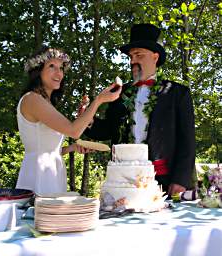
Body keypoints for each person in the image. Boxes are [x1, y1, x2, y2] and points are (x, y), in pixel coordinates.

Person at [83, 23, 196, 196]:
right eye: (131, 56)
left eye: (138, 55)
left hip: (163, 182)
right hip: (124, 181)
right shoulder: (119, 94)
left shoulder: (177, 94)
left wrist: (180, 180)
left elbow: (187, 141)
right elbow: (107, 130)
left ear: (155, 57)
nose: (133, 60)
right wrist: (88, 120)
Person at [16, 46, 121, 195]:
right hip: (38, 175)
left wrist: (71, 148)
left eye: (61, 68)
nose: (58, 72)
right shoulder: (33, 99)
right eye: (51, 66)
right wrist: (98, 100)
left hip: (51, 173)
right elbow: (74, 131)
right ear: (38, 71)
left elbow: (47, 149)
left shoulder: (45, 103)